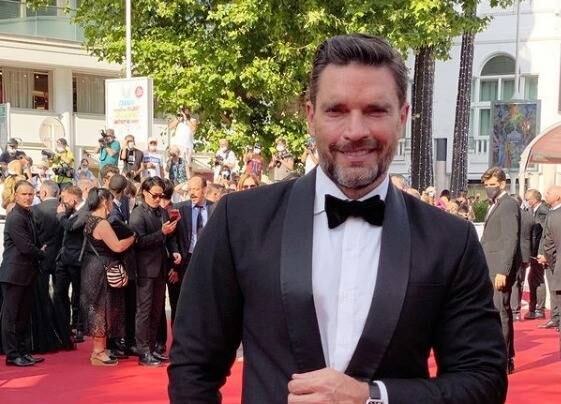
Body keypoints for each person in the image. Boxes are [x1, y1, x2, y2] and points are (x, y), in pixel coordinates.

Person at [169, 34, 507, 403]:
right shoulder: (240, 221)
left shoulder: (450, 240)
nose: (355, 131)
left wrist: (372, 397)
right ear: (310, 115)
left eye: (375, 110)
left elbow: (483, 381)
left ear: (402, 117)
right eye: (336, 110)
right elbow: (193, 366)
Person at [81, 187, 135, 366]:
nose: (112, 204)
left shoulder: (89, 219)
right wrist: (133, 237)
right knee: (102, 307)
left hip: (92, 267)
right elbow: (117, 246)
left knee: (98, 306)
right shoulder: (102, 223)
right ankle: (98, 352)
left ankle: (100, 350)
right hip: (102, 269)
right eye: (111, 201)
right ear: (105, 202)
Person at [130, 177, 181, 367]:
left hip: (161, 267)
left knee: (157, 310)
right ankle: (143, 351)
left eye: (162, 195)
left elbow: (170, 236)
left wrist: (174, 251)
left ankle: (152, 348)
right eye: (155, 195)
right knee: (144, 311)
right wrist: (162, 233)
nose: (159, 199)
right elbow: (138, 242)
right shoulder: (138, 214)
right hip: (144, 268)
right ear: (145, 193)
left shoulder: (162, 212)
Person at [0, 180, 46, 367]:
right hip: (14, 273)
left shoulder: (27, 214)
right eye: (24, 194)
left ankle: (22, 351)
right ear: (15, 195)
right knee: (11, 317)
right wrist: (42, 253)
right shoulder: (15, 217)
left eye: (30, 194)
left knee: (23, 316)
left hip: (26, 273)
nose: (28, 197)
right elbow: (26, 247)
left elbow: (33, 242)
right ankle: (12, 354)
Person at [480, 166, 520, 374]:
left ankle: (504, 360)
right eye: (487, 185)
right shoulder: (496, 204)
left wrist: (503, 271)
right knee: (495, 312)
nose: (489, 188)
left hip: (499, 270)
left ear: (503, 184)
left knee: (500, 312)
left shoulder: (508, 205)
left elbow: (510, 239)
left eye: (493, 185)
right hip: (490, 267)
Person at [54, 185, 88, 345]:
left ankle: (78, 326)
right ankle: (63, 324)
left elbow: (71, 227)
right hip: (64, 258)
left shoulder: (85, 211)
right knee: (59, 292)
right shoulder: (71, 211)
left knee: (78, 294)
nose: (62, 202)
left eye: (65, 198)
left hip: (77, 260)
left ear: (74, 198)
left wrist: (61, 216)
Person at [537, 186, 561, 331]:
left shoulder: (553, 215)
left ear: (558, 196)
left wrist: (550, 261)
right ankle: (556, 318)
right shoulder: (551, 213)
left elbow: (549, 243)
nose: (545, 194)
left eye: (548, 193)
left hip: (556, 263)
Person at [524, 189, 548, 321]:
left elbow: (544, 234)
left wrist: (541, 252)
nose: (526, 201)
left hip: (539, 251)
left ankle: (539, 309)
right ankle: (533, 309)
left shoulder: (543, 211)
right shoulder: (532, 210)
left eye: (527, 199)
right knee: (532, 279)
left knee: (538, 279)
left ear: (534, 199)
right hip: (533, 251)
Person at [510, 194, 533, 322]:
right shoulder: (529, 216)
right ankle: (515, 310)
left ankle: (513, 310)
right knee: (519, 281)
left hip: (512, 252)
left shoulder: (510, 216)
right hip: (525, 253)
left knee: (514, 281)